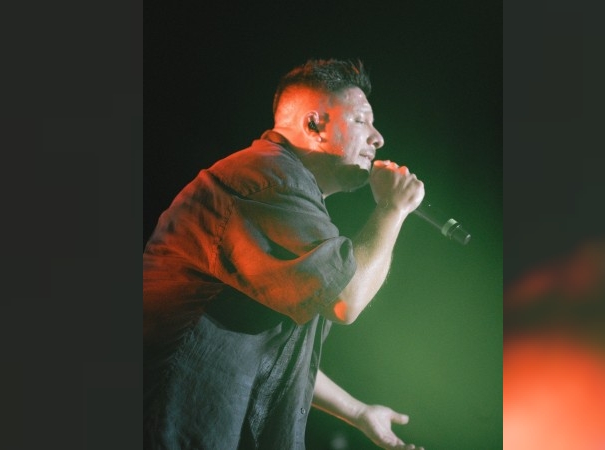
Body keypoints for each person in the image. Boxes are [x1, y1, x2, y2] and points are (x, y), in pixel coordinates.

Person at [143, 58, 427, 449]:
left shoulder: (286, 188)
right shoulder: (268, 180)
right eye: (361, 120)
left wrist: (358, 411)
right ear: (314, 125)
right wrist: (393, 209)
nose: (378, 138)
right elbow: (346, 299)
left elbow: (278, 353)